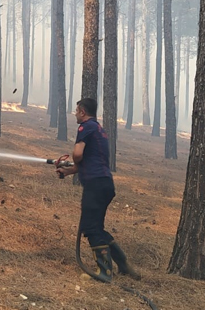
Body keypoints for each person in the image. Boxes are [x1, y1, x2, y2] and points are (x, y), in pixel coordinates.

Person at [55, 98, 141, 283]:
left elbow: (78, 155)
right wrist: (67, 171)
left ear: (83, 112)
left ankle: (105, 272)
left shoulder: (85, 128)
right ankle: (123, 265)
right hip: (105, 184)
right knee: (97, 228)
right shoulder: (99, 130)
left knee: (91, 229)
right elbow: (85, 163)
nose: (75, 113)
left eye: (77, 110)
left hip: (95, 186)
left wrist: (74, 160)